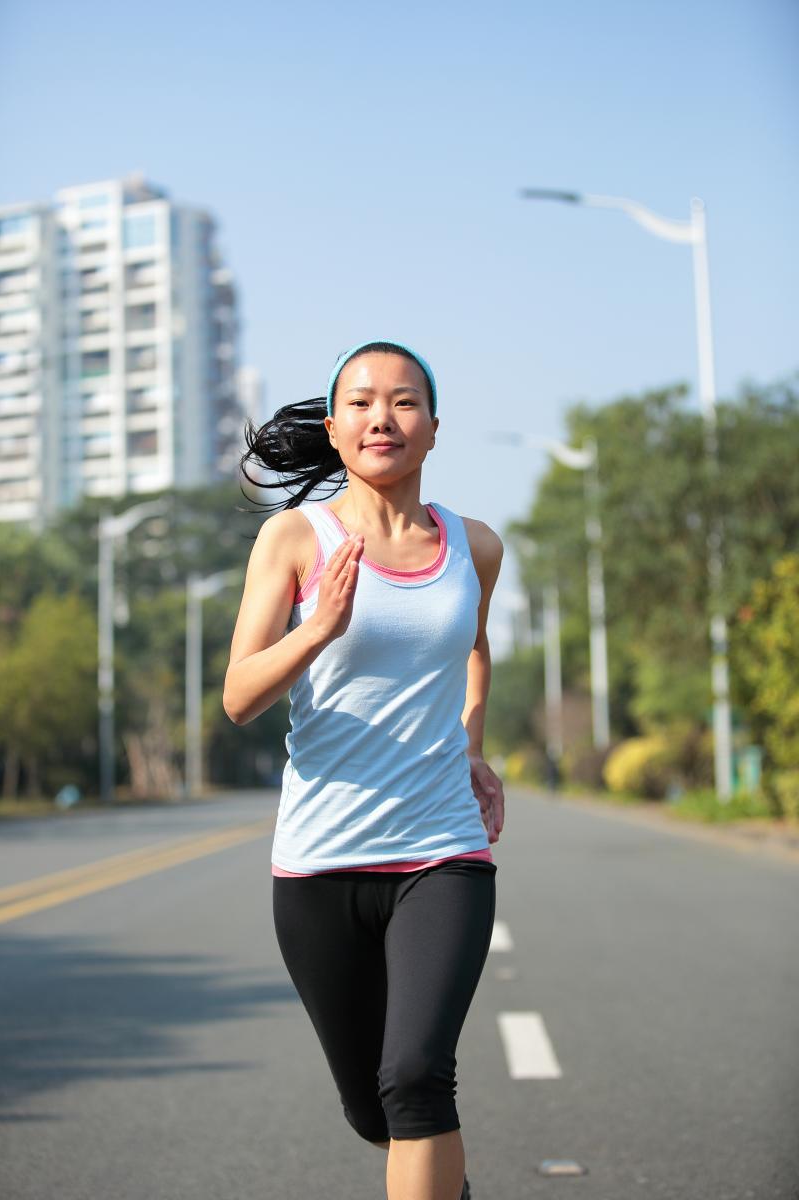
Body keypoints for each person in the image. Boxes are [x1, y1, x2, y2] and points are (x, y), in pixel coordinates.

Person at [223, 339, 506, 1200]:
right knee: (375, 1112)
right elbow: (239, 695)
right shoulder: (293, 540)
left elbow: (473, 645)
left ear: (431, 430)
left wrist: (470, 744)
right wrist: (316, 629)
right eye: (360, 401)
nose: (383, 415)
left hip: (442, 853)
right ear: (338, 430)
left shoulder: (476, 545)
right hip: (319, 864)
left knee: (417, 1077)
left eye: (404, 401)